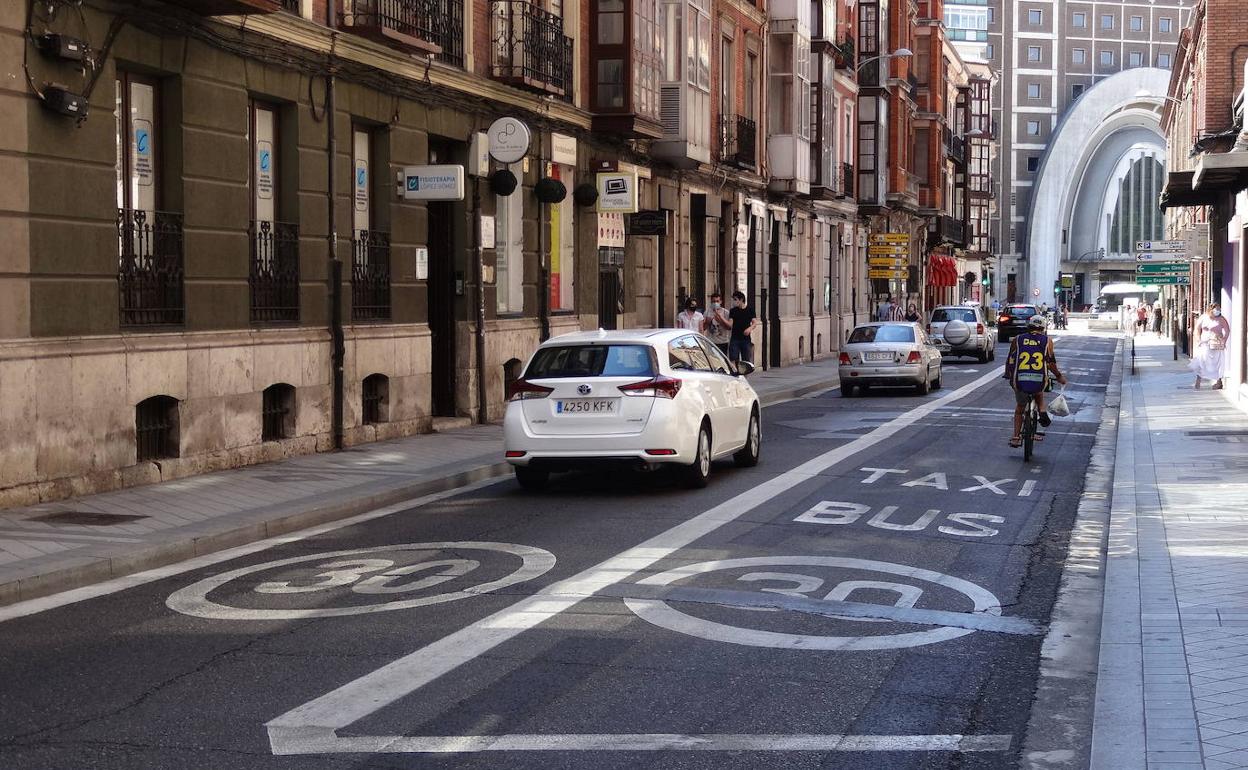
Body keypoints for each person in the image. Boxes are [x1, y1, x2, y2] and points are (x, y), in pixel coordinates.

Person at [1003, 314, 1067, 448]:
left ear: (1029, 327)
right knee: (1039, 392)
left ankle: (1016, 437)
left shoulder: (1018, 339)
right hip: (1039, 380)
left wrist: (1008, 375)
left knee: (1020, 408)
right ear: (1043, 328)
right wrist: (1059, 376)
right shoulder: (1047, 341)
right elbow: (1050, 363)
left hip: (1020, 380)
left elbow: (1010, 359)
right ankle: (1042, 411)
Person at [1190, 303, 1231, 390]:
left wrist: (1224, 339)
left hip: (1216, 343)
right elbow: (1197, 328)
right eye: (1216, 309)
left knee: (1218, 362)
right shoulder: (1204, 317)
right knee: (1202, 361)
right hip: (1205, 342)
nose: (1217, 311)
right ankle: (1198, 380)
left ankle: (1219, 382)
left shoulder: (1221, 319)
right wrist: (1198, 339)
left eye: (1219, 309)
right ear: (1210, 309)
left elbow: (1227, 330)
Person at [728, 290, 759, 364]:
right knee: (733, 358)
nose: (734, 301)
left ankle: (745, 375)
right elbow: (730, 323)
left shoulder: (750, 310)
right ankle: (735, 374)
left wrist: (749, 329)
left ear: (741, 299)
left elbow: (754, 323)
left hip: (746, 339)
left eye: (735, 299)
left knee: (746, 360)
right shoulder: (733, 311)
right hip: (735, 338)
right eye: (733, 299)